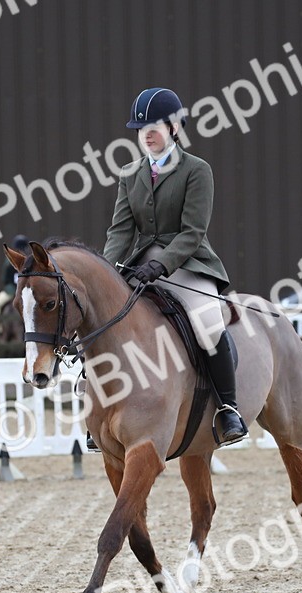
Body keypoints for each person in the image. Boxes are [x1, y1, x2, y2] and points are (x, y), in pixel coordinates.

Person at [102, 87, 247, 445]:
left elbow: (193, 232)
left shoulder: (197, 170)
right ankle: (102, 415)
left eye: (154, 126)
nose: (147, 133)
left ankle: (229, 409)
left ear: (174, 128)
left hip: (187, 263)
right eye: (141, 128)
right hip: (139, 263)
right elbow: (120, 231)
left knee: (210, 324)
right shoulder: (129, 174)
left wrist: (162, 265)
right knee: (105, 320)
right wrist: (107, 274)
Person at [0, 234, 28, 318]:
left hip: (11, 292)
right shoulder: (28, 260)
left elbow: (4, 279)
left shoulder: (9, 261)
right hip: (24, 291)